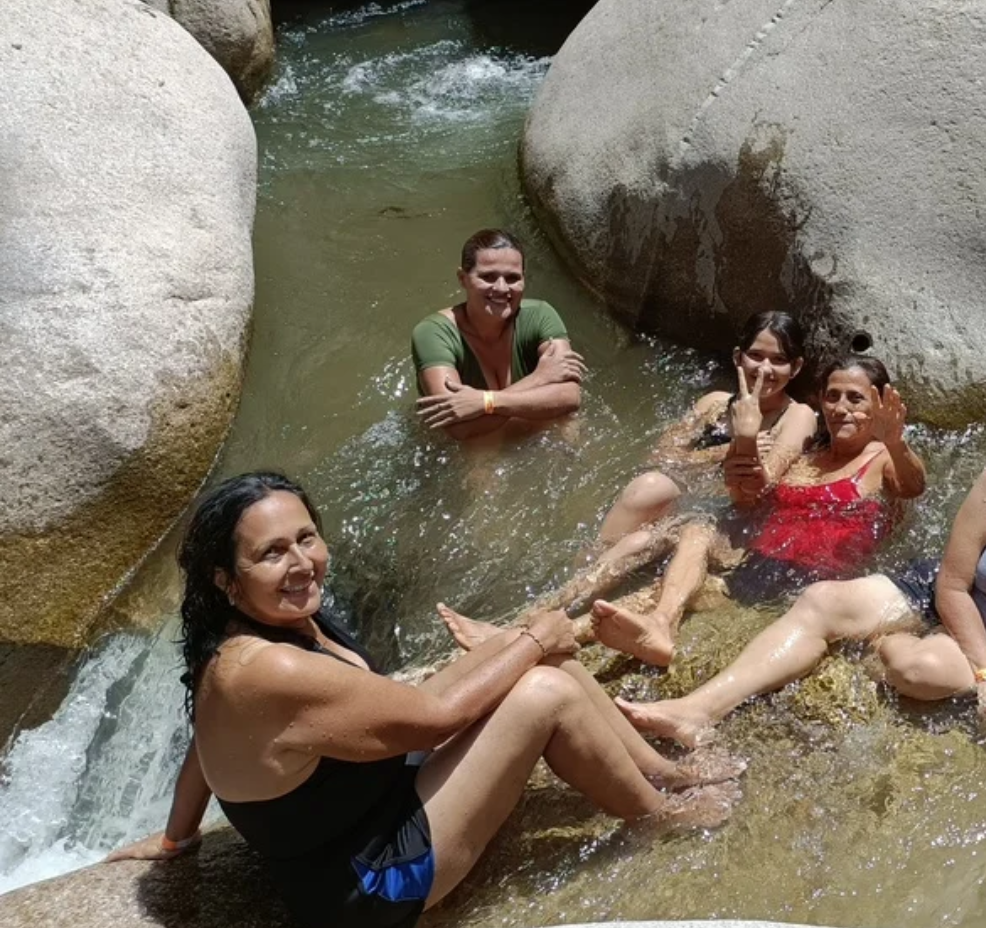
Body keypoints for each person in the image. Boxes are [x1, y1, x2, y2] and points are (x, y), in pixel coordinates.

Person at [107, 473, 738, 928]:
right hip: (367, 882)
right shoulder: (265, 664)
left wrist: (177, 839)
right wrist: (533, 640)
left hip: (376, 802)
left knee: (533, 656)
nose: (301, 563)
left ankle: (665, 773)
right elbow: (435, 720)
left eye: (306, 538)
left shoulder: (269, 628)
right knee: (543, 686)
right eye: (272, 552)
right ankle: (662, 815)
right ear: (226, 579)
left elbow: (206, 740)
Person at [619, 388, 986, 748]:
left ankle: (883, 649)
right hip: (948, 597)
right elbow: (952, 584)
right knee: (822, 599)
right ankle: (698, 710)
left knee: (918, 671)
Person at [521, 354, 926, 668]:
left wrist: (895, 441)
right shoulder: (808, 456)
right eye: (832, 396)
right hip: (755, 565)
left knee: (678, 557)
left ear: (879, 404)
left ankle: (537, 634)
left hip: (803, 583)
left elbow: (912, 486)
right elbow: (751, 499)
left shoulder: (881, 459)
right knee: (676, 552)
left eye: (855, 398)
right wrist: (744, 442)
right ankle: (542, 626)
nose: (841, 407)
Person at [589, 310, 819, 566]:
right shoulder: (714, 403)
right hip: (684, 497)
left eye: (779, 360)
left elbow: (763, 490)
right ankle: (585, 565)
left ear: (795, 367)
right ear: (738, 357)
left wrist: (745, 441)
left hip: (724, 514)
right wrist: (725, 450)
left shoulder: (797, 416)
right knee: (650, 485)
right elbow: (658, 457)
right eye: (755, 355)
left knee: (640, 539)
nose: (765, 368)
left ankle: (585, 578)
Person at [412, 229, 583, 440]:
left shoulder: (541, 315)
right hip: (475, 442)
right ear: (463, 278)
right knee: (480, 447)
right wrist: (540, 378)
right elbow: (458, 428)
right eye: (488, 277)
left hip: (528, 428)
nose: (502, 288)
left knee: (567, 422)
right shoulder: (433, 333)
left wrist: (486, 402)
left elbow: (570, 397)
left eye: (512, 278)